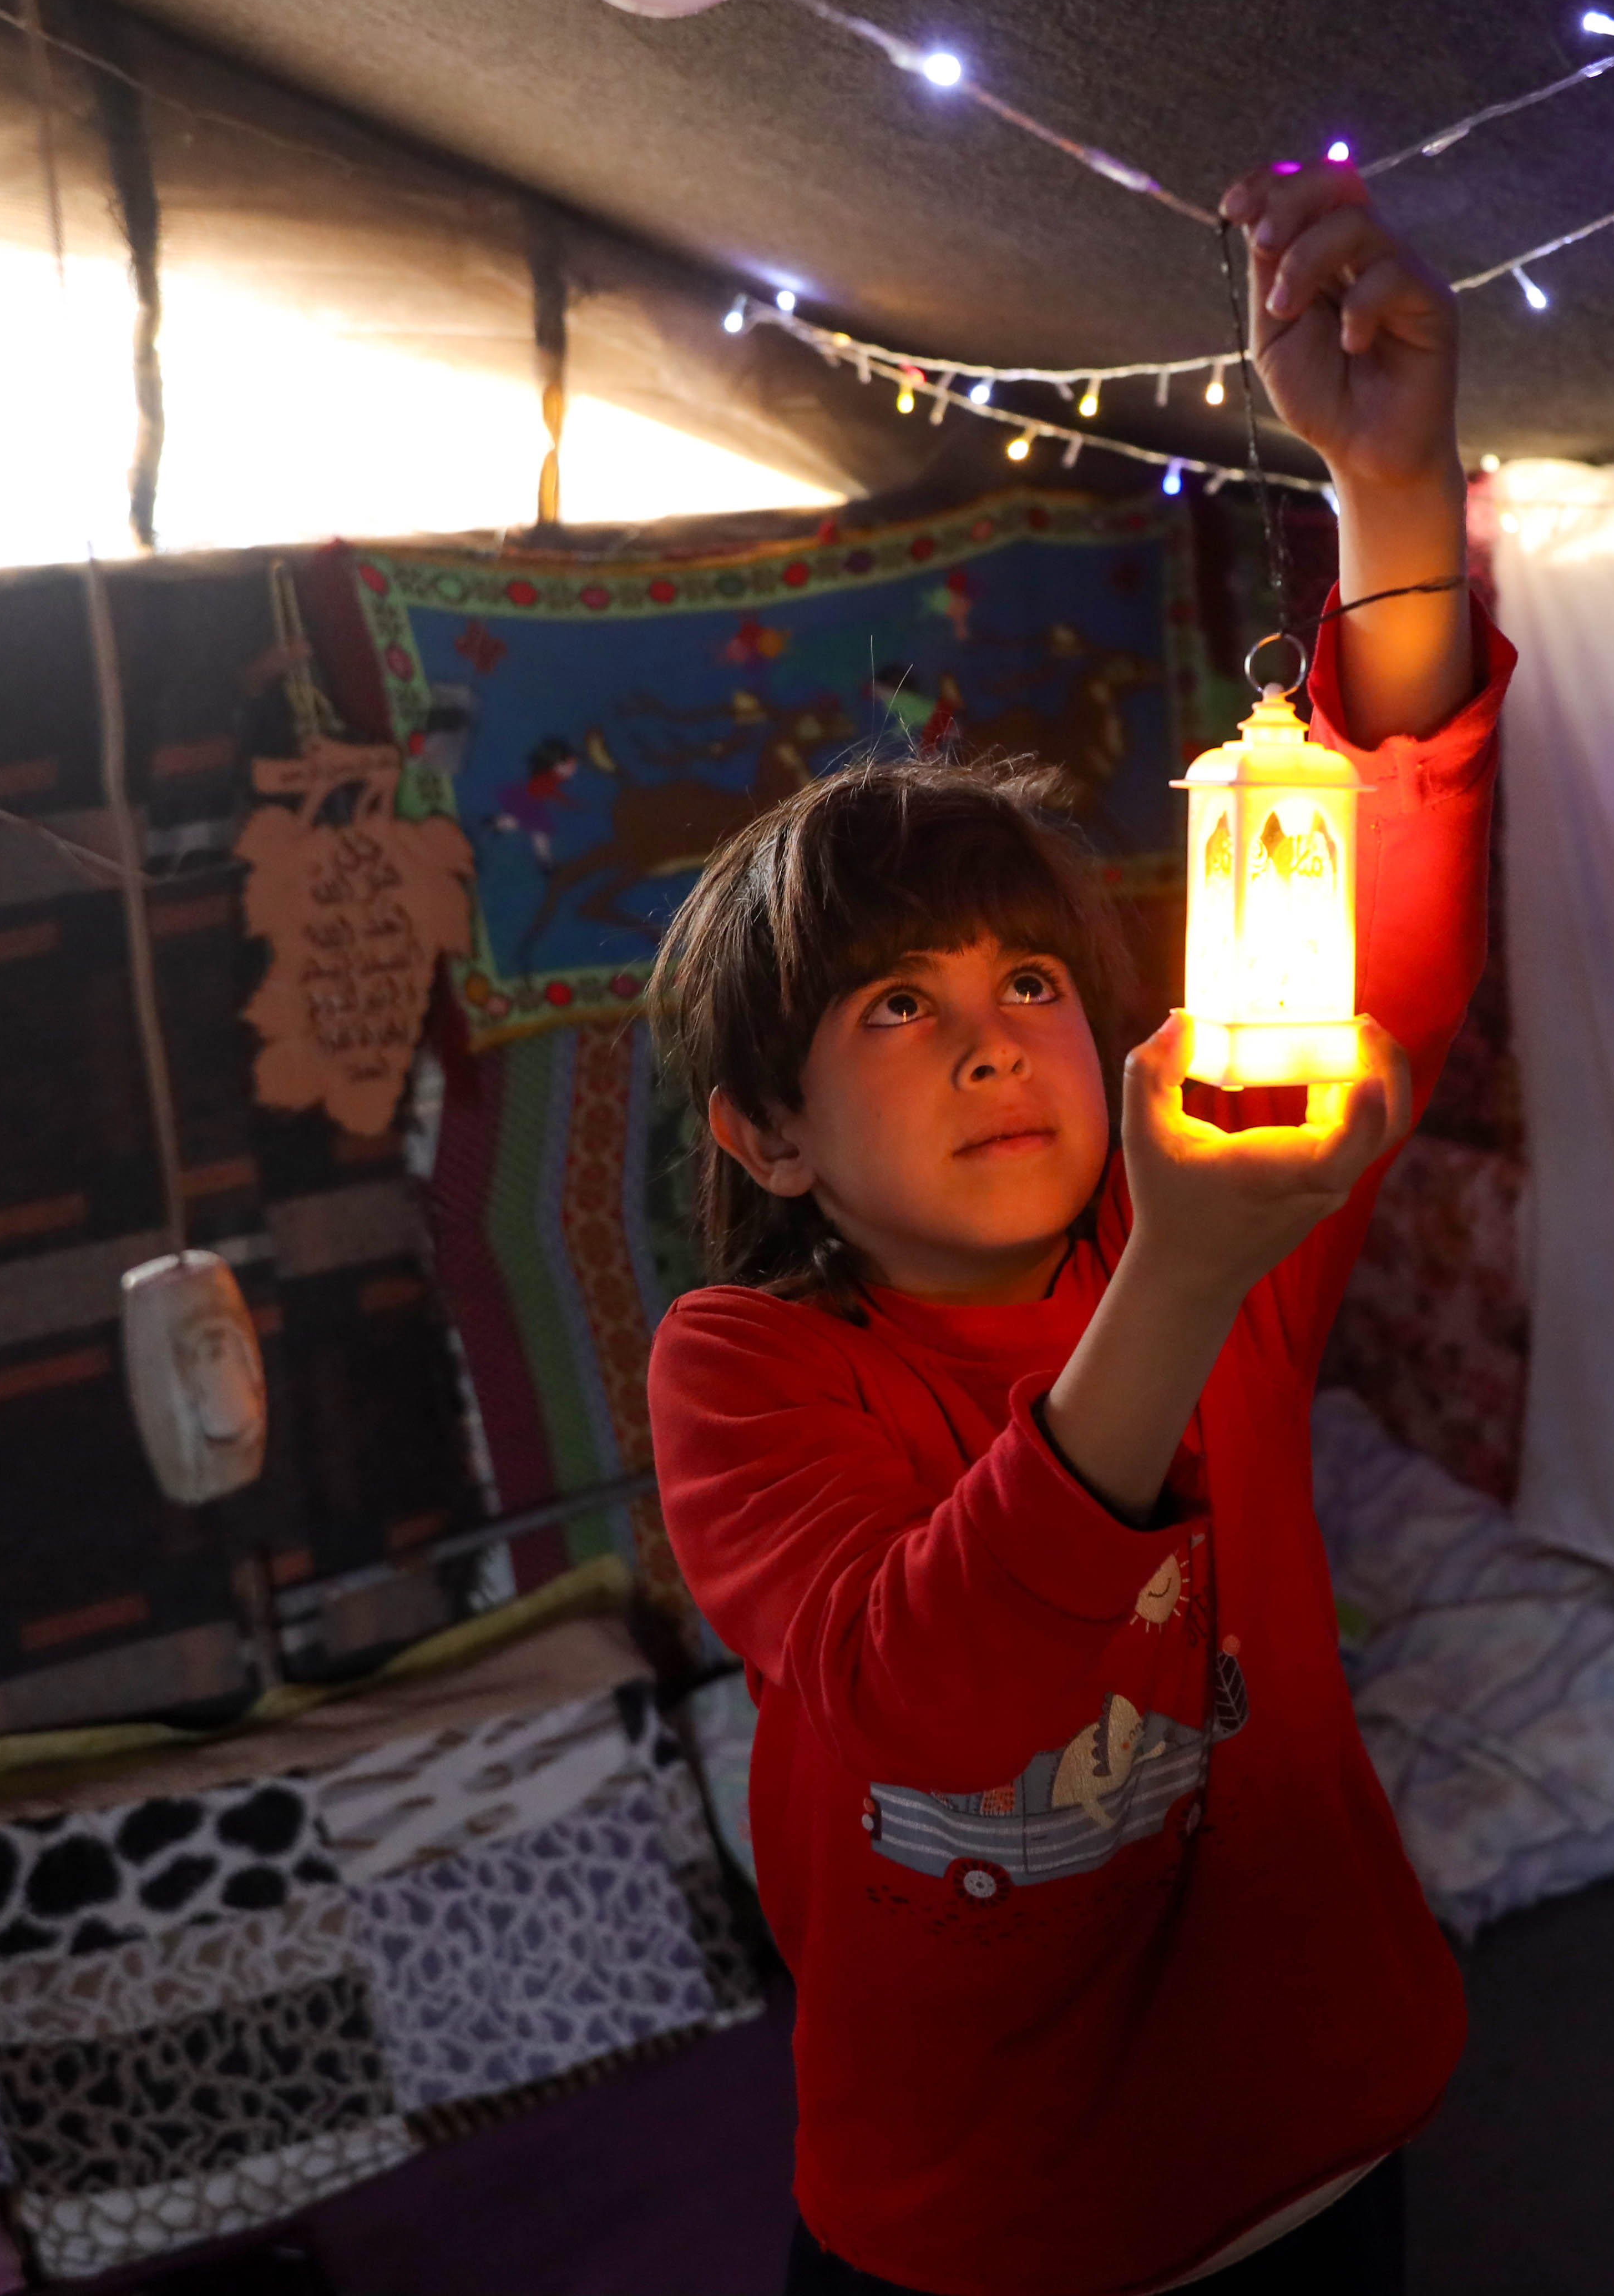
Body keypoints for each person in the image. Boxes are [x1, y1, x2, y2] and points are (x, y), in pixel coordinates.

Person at [646, 156, 1512, 2296]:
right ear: (768, 1137)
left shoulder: (1200, 1205)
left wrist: (1397, 496)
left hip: (1315, 2145)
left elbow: (1392, 898)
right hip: (981, 2236)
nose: (991, 1043)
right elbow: (922, 1702)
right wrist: (1181, 1283)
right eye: (896, 1008)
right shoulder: (750, 1375)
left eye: (1029, 983)